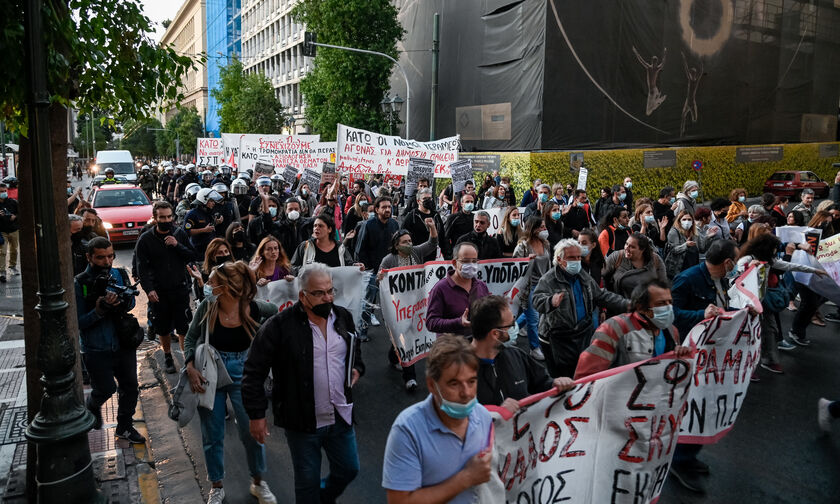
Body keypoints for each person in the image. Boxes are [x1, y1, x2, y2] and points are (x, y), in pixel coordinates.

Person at [243, 263, 364, 504]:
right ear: (302, 295)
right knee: (306, 482)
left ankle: (321, 497)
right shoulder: (278, 326)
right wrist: (257, 415)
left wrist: (357, 369)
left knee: (349, 469)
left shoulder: (342, 317)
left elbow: (355, 353)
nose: (327, 298)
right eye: (319, 293)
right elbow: (253, 372)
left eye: (331, 291)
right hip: (302, 422)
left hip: (340, 415)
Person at [182, 262, 278, 504]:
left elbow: (276, 311)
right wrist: (190, 367)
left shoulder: (254, 308)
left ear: (226, 287)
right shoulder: (207, 306)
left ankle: (258, 482)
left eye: (212, 282)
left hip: (244, 371)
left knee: (252, 431)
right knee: (212, 434)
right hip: (209, 372)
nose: (207, 285)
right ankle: (216, 486)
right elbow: (191, 338)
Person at [382, 335, 492, 504]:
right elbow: (399, 501)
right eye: (454, 384)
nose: (466, 393)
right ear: (432, 385)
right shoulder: (407, 430)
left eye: (471, 381)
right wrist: (466, 478)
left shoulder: (483, 417)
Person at [668, 239, 739, 493]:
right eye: (735, 260)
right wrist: (701, 315)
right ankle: (677, 460)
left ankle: (688, 455)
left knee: (706, 404)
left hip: (711, 352)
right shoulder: (687, 279)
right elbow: (670, 314)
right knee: (691, 406)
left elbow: (723, 305)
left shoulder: (721, 279)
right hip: (689, 353)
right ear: (727, 262)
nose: (736, 265)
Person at [75, 237, 145, 444]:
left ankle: (124, 426)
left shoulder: (119, 274)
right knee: (105, 389)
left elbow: (131, 301)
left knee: (130, 387)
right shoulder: (80, 283)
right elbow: (79, 322)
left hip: (123, 343)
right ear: (89, 257)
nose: (106, 261)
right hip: (97, 347)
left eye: (110, 256)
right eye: (100, 257)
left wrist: (121, 302)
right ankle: (93, 406)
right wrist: (99, 310)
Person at [532, 239, 629, 377]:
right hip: (557, 339)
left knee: (582, 374)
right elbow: (536, 300)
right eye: (572, 257)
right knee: (563, 379)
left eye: (578, 257)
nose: (577, 261)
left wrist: (627, 304)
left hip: (582, 333)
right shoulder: (548, 279)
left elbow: (601, 296)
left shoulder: (582, 275)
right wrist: (550, 301)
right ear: (560, 259)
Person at [735, 233, 826, 374]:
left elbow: (790, 266)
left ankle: (767, 360)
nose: (775, 252)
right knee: (748, 334)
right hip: (746, 305)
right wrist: (747, 268)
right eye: (773, 249)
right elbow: (733, 276)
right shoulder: (747, 259)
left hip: (762, 303)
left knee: (770, 330)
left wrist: (814, 270)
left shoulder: (769, 260)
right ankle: (745, 366)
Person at [470, 295, 574, 413]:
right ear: (495, 334)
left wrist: (555, 384)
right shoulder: (458, 369)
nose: (515, 328)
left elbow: (541, 382)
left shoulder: (516, 355)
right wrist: (494, 414)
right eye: (511, 325)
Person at [575, 279, 692, 378]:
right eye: (661, 303)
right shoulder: (615, 328)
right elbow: (588, 376)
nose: (668, 307)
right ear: (641, 307)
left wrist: (679, 357)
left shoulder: (671, 331)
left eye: (669, 302)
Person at [134, 201, 196, 374]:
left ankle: (186, 360)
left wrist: (177, 245)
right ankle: (168, 355)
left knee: (183, 326)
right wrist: (149, 289)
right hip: (159, 291)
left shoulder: (179, 234)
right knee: (163, 327)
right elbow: (142, 268)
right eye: (162, 217)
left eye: (169, 217)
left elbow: (192, 255)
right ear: (155, 218)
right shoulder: (146, 239)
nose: (166, 220)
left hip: (180, 288)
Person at [378, 221, 439, 391]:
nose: (409, 244)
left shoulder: (417, 252)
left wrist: (432, 228)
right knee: (401, 335)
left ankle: (395, 357)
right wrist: (381, 277)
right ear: (396, 245)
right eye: (405, 242)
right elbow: (380, 279)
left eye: (410, 241)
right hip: (397, 307)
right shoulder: (389, 260)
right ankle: (409, 377)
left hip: (415, 304)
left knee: (408, 335)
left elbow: (432, 243)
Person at [354, 196, 399, 341]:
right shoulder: (368, 225)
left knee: (394, 304)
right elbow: (360, 249)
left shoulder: (394, 224)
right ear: (377, 209)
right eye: (384, 207)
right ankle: (362, 331)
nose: (387, 209)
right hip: (373, 272)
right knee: (368, 303)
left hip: (390, 272)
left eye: (389, 207)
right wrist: (369, 269)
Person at [426, 242, 490, 338]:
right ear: (455, 263)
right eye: (466, 261)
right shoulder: (440, 289)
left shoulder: (481, 286)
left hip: (477, 345)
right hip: (451, 349)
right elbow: (431, 323)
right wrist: (458, 322)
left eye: (474, 261)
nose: (471, 265)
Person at [513, 217, 551, 359]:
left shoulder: (545, 243)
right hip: (528, 287)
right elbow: (516, 267)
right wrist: (526, 261)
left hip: (543, 285)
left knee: (530, 315)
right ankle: (534, 347)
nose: (544, 230)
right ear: (533, 228)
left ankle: (511, 331)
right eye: (541, 227)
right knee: (534, 318)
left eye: (544, 227)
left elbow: (548, 265)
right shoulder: (523, 245)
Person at [602, 233, 668, 300]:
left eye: (632, 247)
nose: (626, 248)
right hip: (619, 305)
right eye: (626, 244)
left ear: (642, 250)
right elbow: (602, 277)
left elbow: (662, 285)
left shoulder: (655, 260)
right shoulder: (617, 257)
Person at [402, 188, 445, 262]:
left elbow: (442, 235)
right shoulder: (412, 216)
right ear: (418, 201)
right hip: (417, 256)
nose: (427, 200)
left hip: (434, 256)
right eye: (425, 198)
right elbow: (403, 235)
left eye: (429, 198)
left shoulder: (436, 215)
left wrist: (446, 253)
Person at [665, 210, 705, 279]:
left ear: (692, 221)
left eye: (689, 219)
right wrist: (686, 245)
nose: (687, 222)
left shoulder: (694, 232)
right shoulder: (674, 232)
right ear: (679, 221)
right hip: (679, 267)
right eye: (684, 219)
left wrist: (709, 237)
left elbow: (702, 249)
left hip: (693, 265)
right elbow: (674, 250)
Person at [185, 188, 224, 259]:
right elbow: (187, 231)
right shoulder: (192, 214)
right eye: (211, 201)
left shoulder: (209, 212)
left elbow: (209, 226)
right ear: (204, 200)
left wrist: (217, 222)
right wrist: (204, 230)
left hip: (211, 248)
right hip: (198, 250)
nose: (213, 203)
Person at [442, 192, 476, 259]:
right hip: (457, 253)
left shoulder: (475, 218)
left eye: (472, 202)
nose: (470, 204)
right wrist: (449, 254)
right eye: (467, 201)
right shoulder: (453, 218)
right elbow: (446, 237)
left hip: (472, 253)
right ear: (462, 204)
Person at [0, 183, 19, 282]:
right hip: (2, 231)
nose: (3, 193)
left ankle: (12, 266)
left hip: (14, 230)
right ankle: (2, 271)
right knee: (2, 251)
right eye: (1, 192)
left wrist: (15, 217)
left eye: (4, 191)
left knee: (14, 249)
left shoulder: (12, 202)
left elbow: (20, 212)